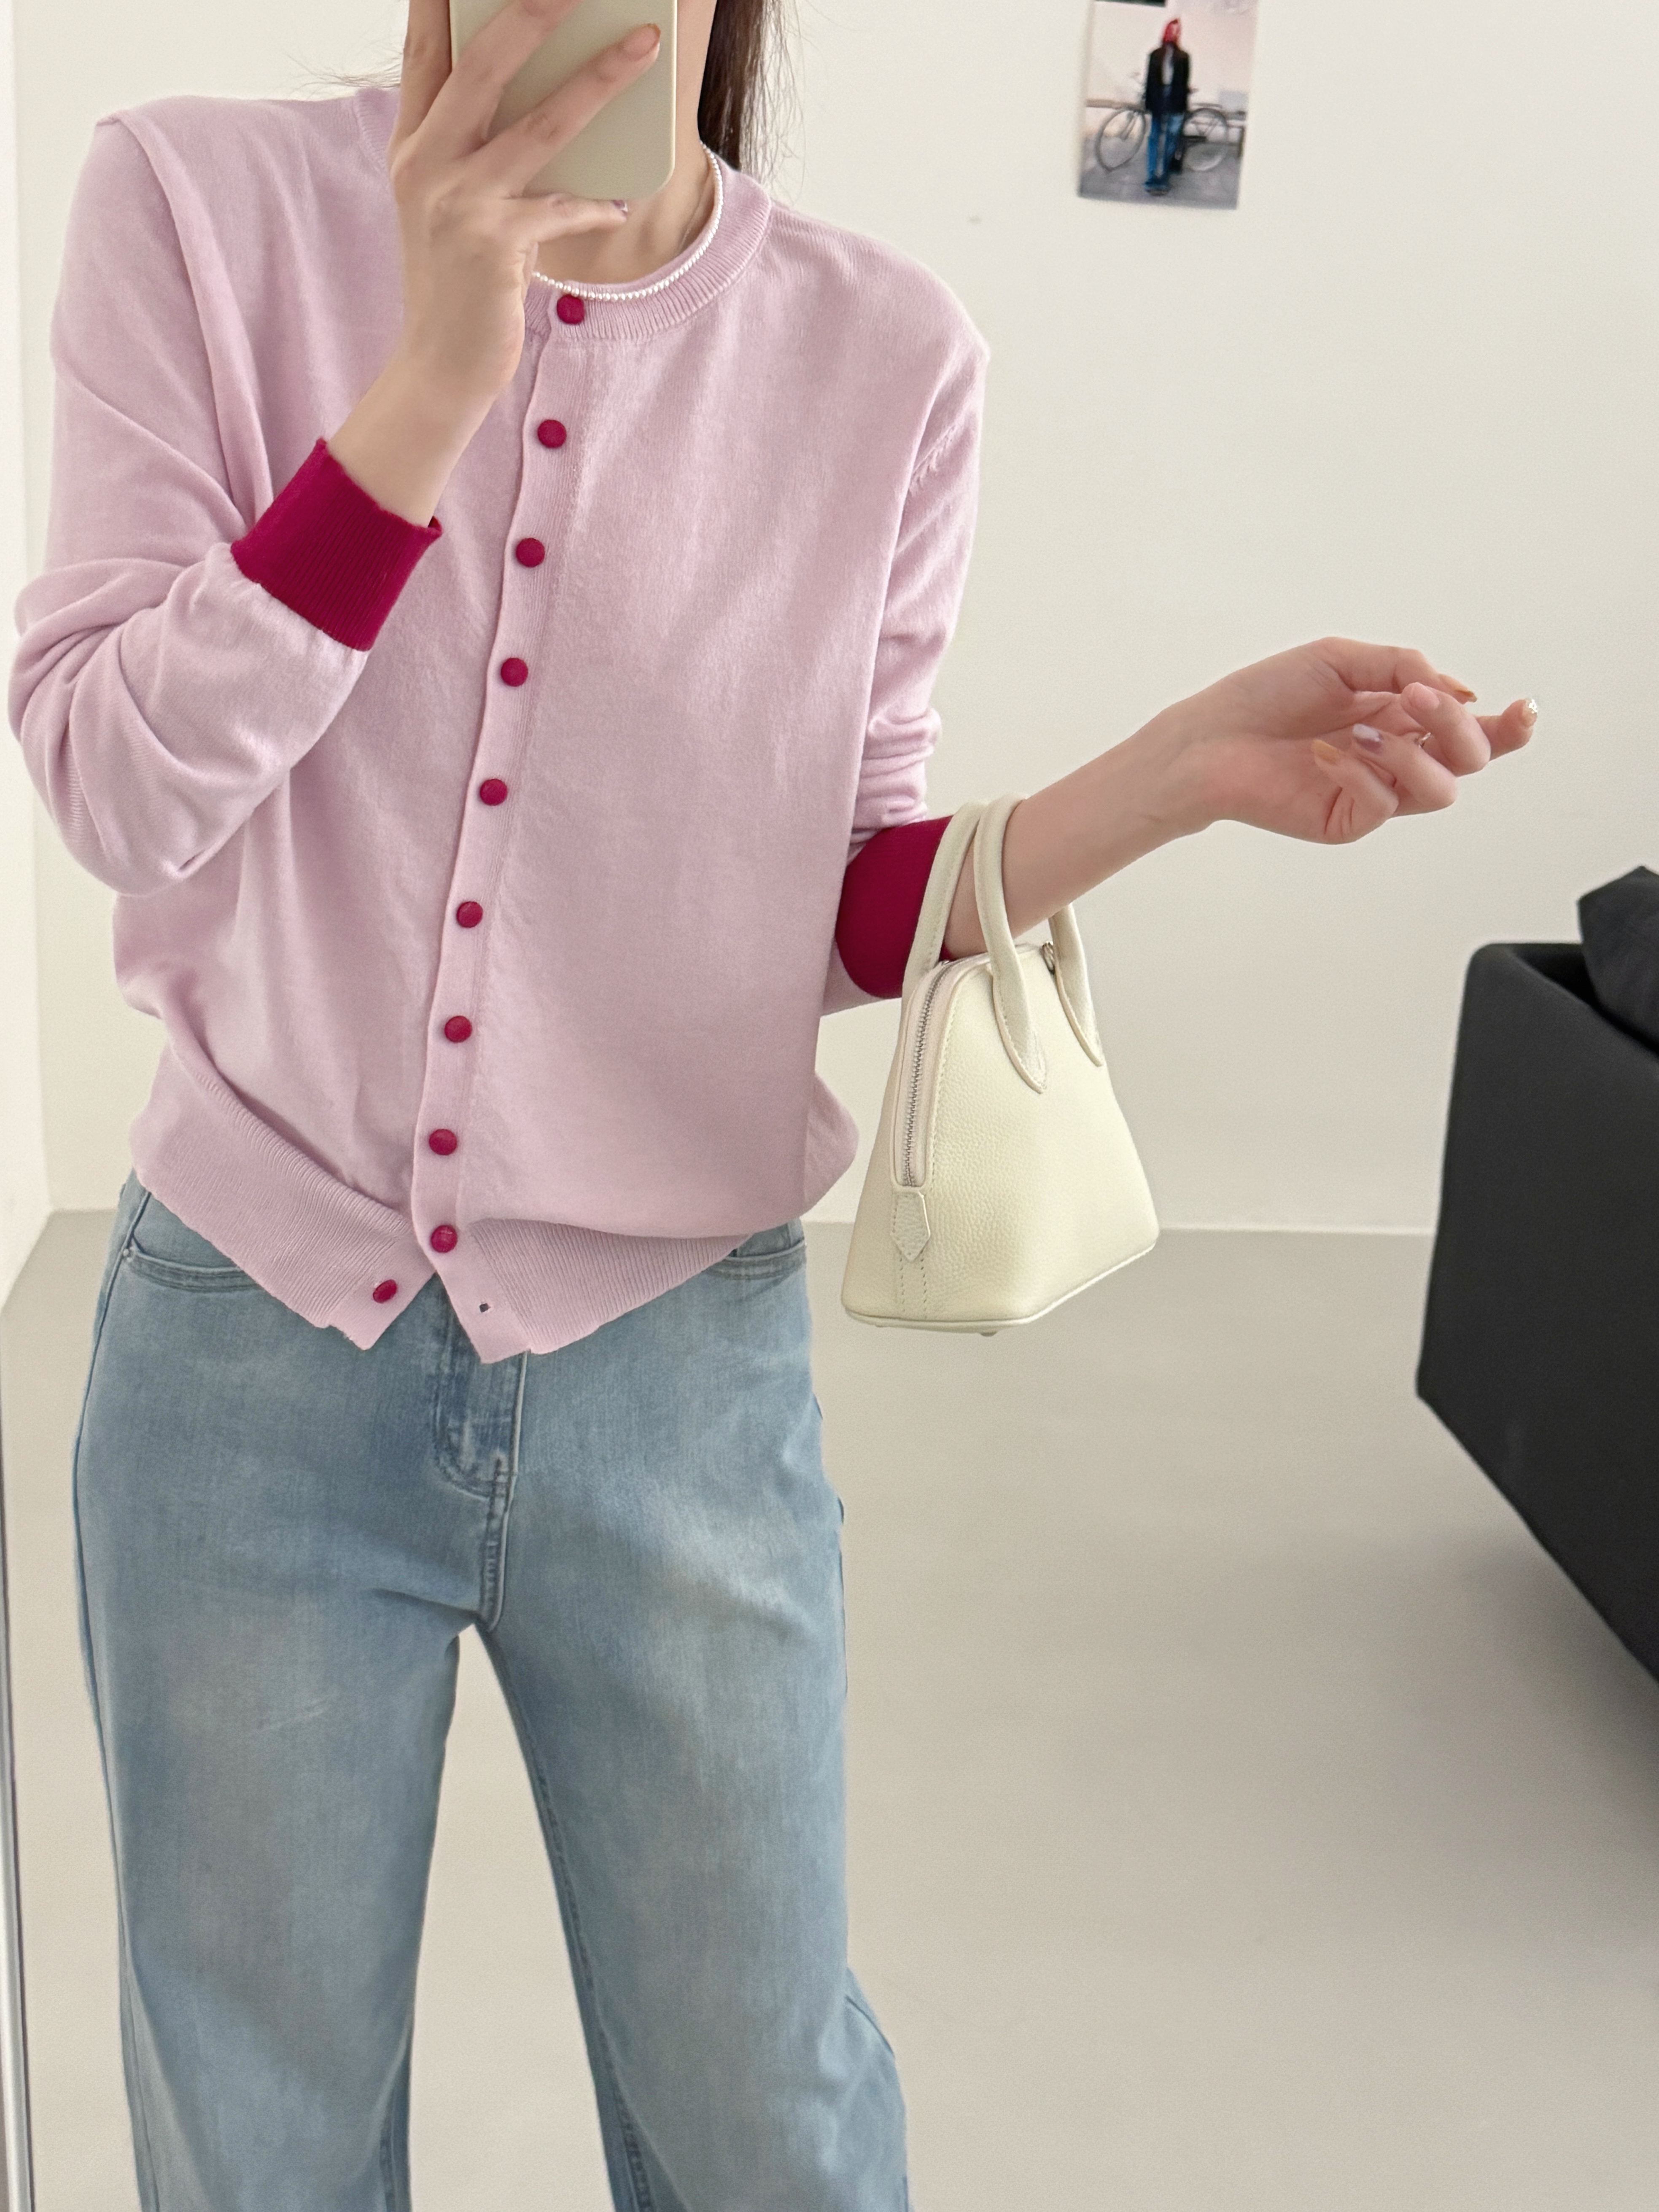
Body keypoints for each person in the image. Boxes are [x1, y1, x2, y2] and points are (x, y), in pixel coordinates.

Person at [7, 0, 1535, 2200]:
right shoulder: (189, 206)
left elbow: (819, 900)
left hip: (670, 1383)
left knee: (765, 2125)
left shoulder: (882, 356)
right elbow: (113, 787)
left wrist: (1171, 776)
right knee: (251, 2132)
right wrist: (428, 381)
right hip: (243, 1350)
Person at [1145, 16, 1191, 194]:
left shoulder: (1184, 57)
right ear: (1165, 31)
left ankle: (1164, 176)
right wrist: (1149, 104)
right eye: (1171, 30)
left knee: (1171, 139)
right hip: (1159, 100)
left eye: (1177, 31)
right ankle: (1152, 176)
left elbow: (1184, 84)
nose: (1173, 34)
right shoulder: (1155, 55)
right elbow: (1150, 82)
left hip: (1176, 101)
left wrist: (1184, 108)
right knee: (1155, 138)